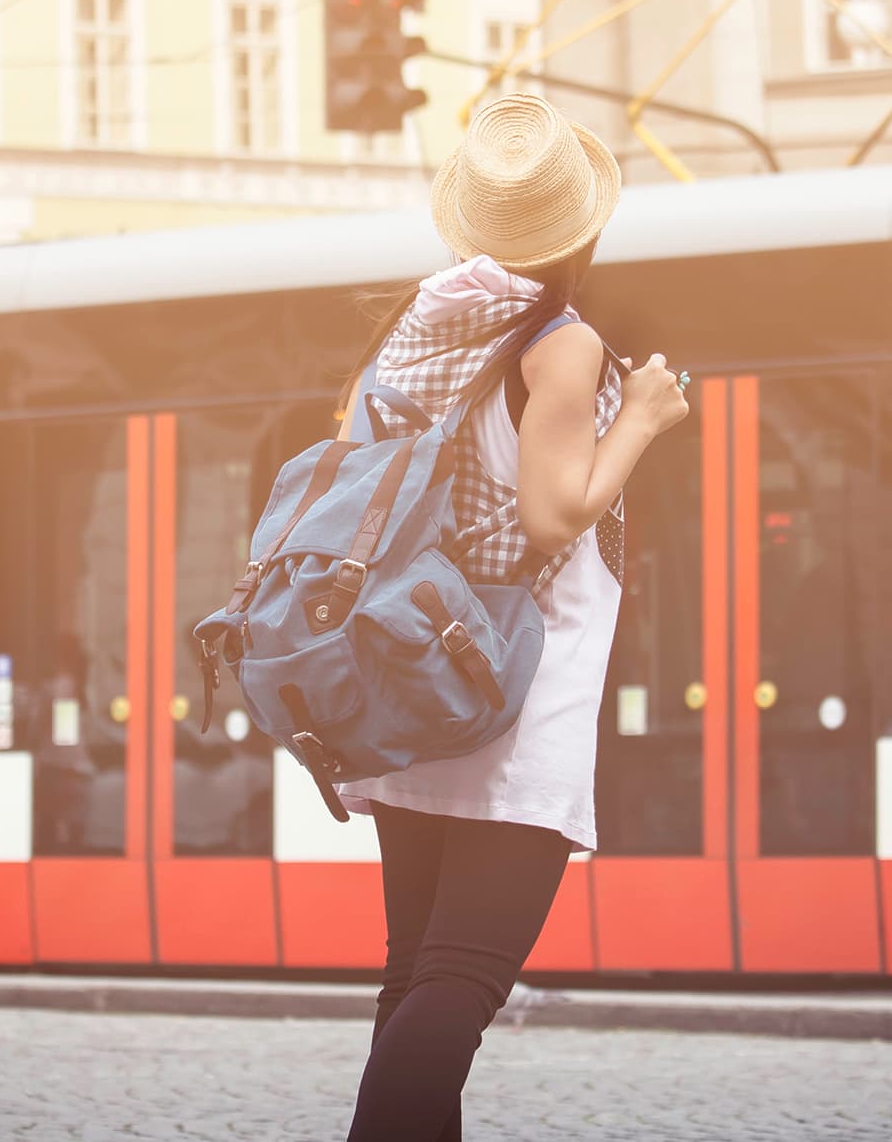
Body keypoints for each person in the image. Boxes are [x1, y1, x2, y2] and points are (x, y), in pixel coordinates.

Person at [332, 94, 688, 1141]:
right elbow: (554, 513)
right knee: (461, 984)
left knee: (413, 982)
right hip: (514, 690)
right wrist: (648, 418)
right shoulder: (562, 345)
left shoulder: (423, 331)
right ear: (583, 229)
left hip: (412, 683)